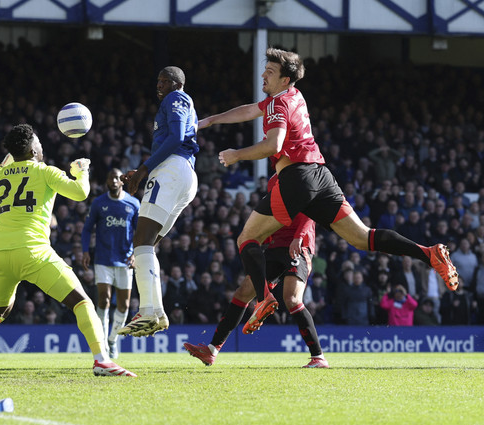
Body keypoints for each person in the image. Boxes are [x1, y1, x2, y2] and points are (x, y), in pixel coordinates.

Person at [198, 47, 459, 331]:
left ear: (284, 79)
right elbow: (250, 110)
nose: (263, 74)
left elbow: (273, 145)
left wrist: (236, 154)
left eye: (270, 72)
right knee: (363, 238)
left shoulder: (277, 105)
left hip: (296, 177)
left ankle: (263, 299)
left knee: (246, 239)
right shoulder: (293, 96)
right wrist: (211, 120)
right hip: (321, 176)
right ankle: (428, 253)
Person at [0, 124, 135, 377]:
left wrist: (1, 167)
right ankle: (102, 360)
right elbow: (81, 193)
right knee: (81, 301)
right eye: (38, 143)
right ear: (31, 149)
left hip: (0, 254)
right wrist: (82, 171)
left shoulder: (0, 175)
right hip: (34, 252)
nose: (41, 147)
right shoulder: (45, 171)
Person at [184, 175, 329, 368]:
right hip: (275, 246)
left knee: (292, 298)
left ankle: (318, 357)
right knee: (243, 292)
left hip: (298, 245)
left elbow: (309, 212)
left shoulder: (302, 175)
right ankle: (212, 350)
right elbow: (271, 213)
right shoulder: (274, 180)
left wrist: (299, 237)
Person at [118, 66, 199, 337]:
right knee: (147, 244)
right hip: (185, 174)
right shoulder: (182, 103)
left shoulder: (175, 98)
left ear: (177, 83)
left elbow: (175, 137)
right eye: (158, 80)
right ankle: (156, 312)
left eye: (165, 80)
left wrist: (143, 169)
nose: (160, 85)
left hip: (171, 169)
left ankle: (150, 310)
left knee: (141, 242)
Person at [81, 168, 140, 359]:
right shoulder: (99, 203)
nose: (113, 180)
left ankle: (113, 340)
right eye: (110, 178)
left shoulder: (133, 203)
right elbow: (87, 228)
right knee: (104, 300)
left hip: (125, 260)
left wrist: (135, 254)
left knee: (123, 305)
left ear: (122, 181)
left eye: (116, 177)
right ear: (107, 181)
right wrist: (85, 251)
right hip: (103, 259)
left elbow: (140, 233)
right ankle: (102, 343)